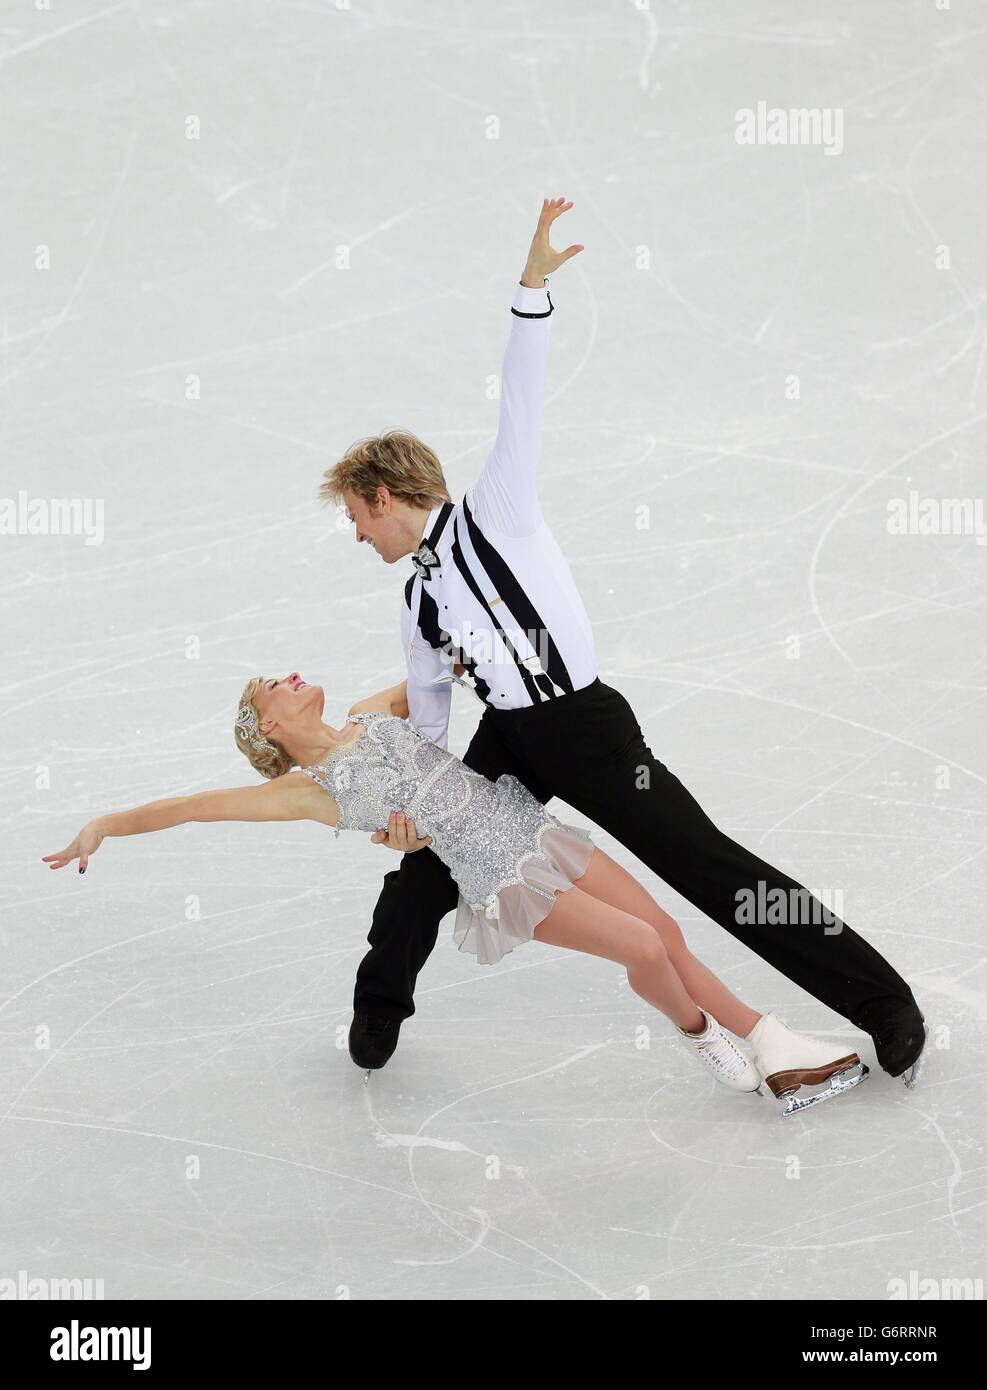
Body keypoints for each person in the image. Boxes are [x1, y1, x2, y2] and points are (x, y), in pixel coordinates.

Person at [319, 196, 927, 1087]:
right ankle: (378, 1010)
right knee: (427, 867)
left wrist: (530, 286)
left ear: (382, 496)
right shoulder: (416, 604)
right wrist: (417, 804)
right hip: (509, 741)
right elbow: (430, 720)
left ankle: (883, 1005)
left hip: (590, 731)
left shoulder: (500, 511)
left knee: (708, 866)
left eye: (355, 517)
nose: (357, 536)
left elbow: (521, 393)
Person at [41, 670, 871, 1116]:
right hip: (500, 876)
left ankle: (767, 1046)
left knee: (665, 928)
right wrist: (105, 823)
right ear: (269, 732)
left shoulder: (373, 711)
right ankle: (717, 1038)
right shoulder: (309, 790)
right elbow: (190, 807)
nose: (290, 677)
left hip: (530, 826)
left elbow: (438, 660)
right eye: (272, 687)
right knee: (646, 949)